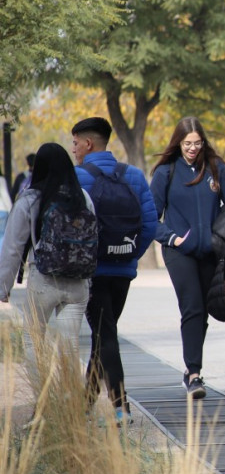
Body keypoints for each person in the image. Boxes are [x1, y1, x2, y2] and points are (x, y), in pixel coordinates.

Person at [71, 117, 158, 425]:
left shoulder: (77, 177)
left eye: (76, 143)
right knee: (102, 335)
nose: (73, 149)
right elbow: (150, 224)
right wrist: (131, 255)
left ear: (88, 144)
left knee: (105, 334)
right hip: (122, 271)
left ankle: (121, 407)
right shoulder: (133, 175)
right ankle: (85, 404)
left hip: (92, 272)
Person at [150, 117, 225, 399]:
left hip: (211, 251)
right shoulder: (166, 172)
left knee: (202, 312)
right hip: (179, 251)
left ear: (204, 142)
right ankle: (194, 374)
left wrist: (224, 238)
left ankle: (191, 368)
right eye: (187, 143)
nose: (192, 148)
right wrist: (172, 238)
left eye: (197, 142)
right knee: (191, 306)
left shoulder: (217, 168)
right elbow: (150, 217)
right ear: (178, 143)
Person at [0, 143, 95, 390]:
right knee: (70, 345)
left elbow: (12, 249)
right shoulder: (82, 197)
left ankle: (42, 402)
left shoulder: (30, 200)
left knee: (33, 340)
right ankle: (69, 402)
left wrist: (3, 287)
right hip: (78, 284)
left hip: (43, 281)